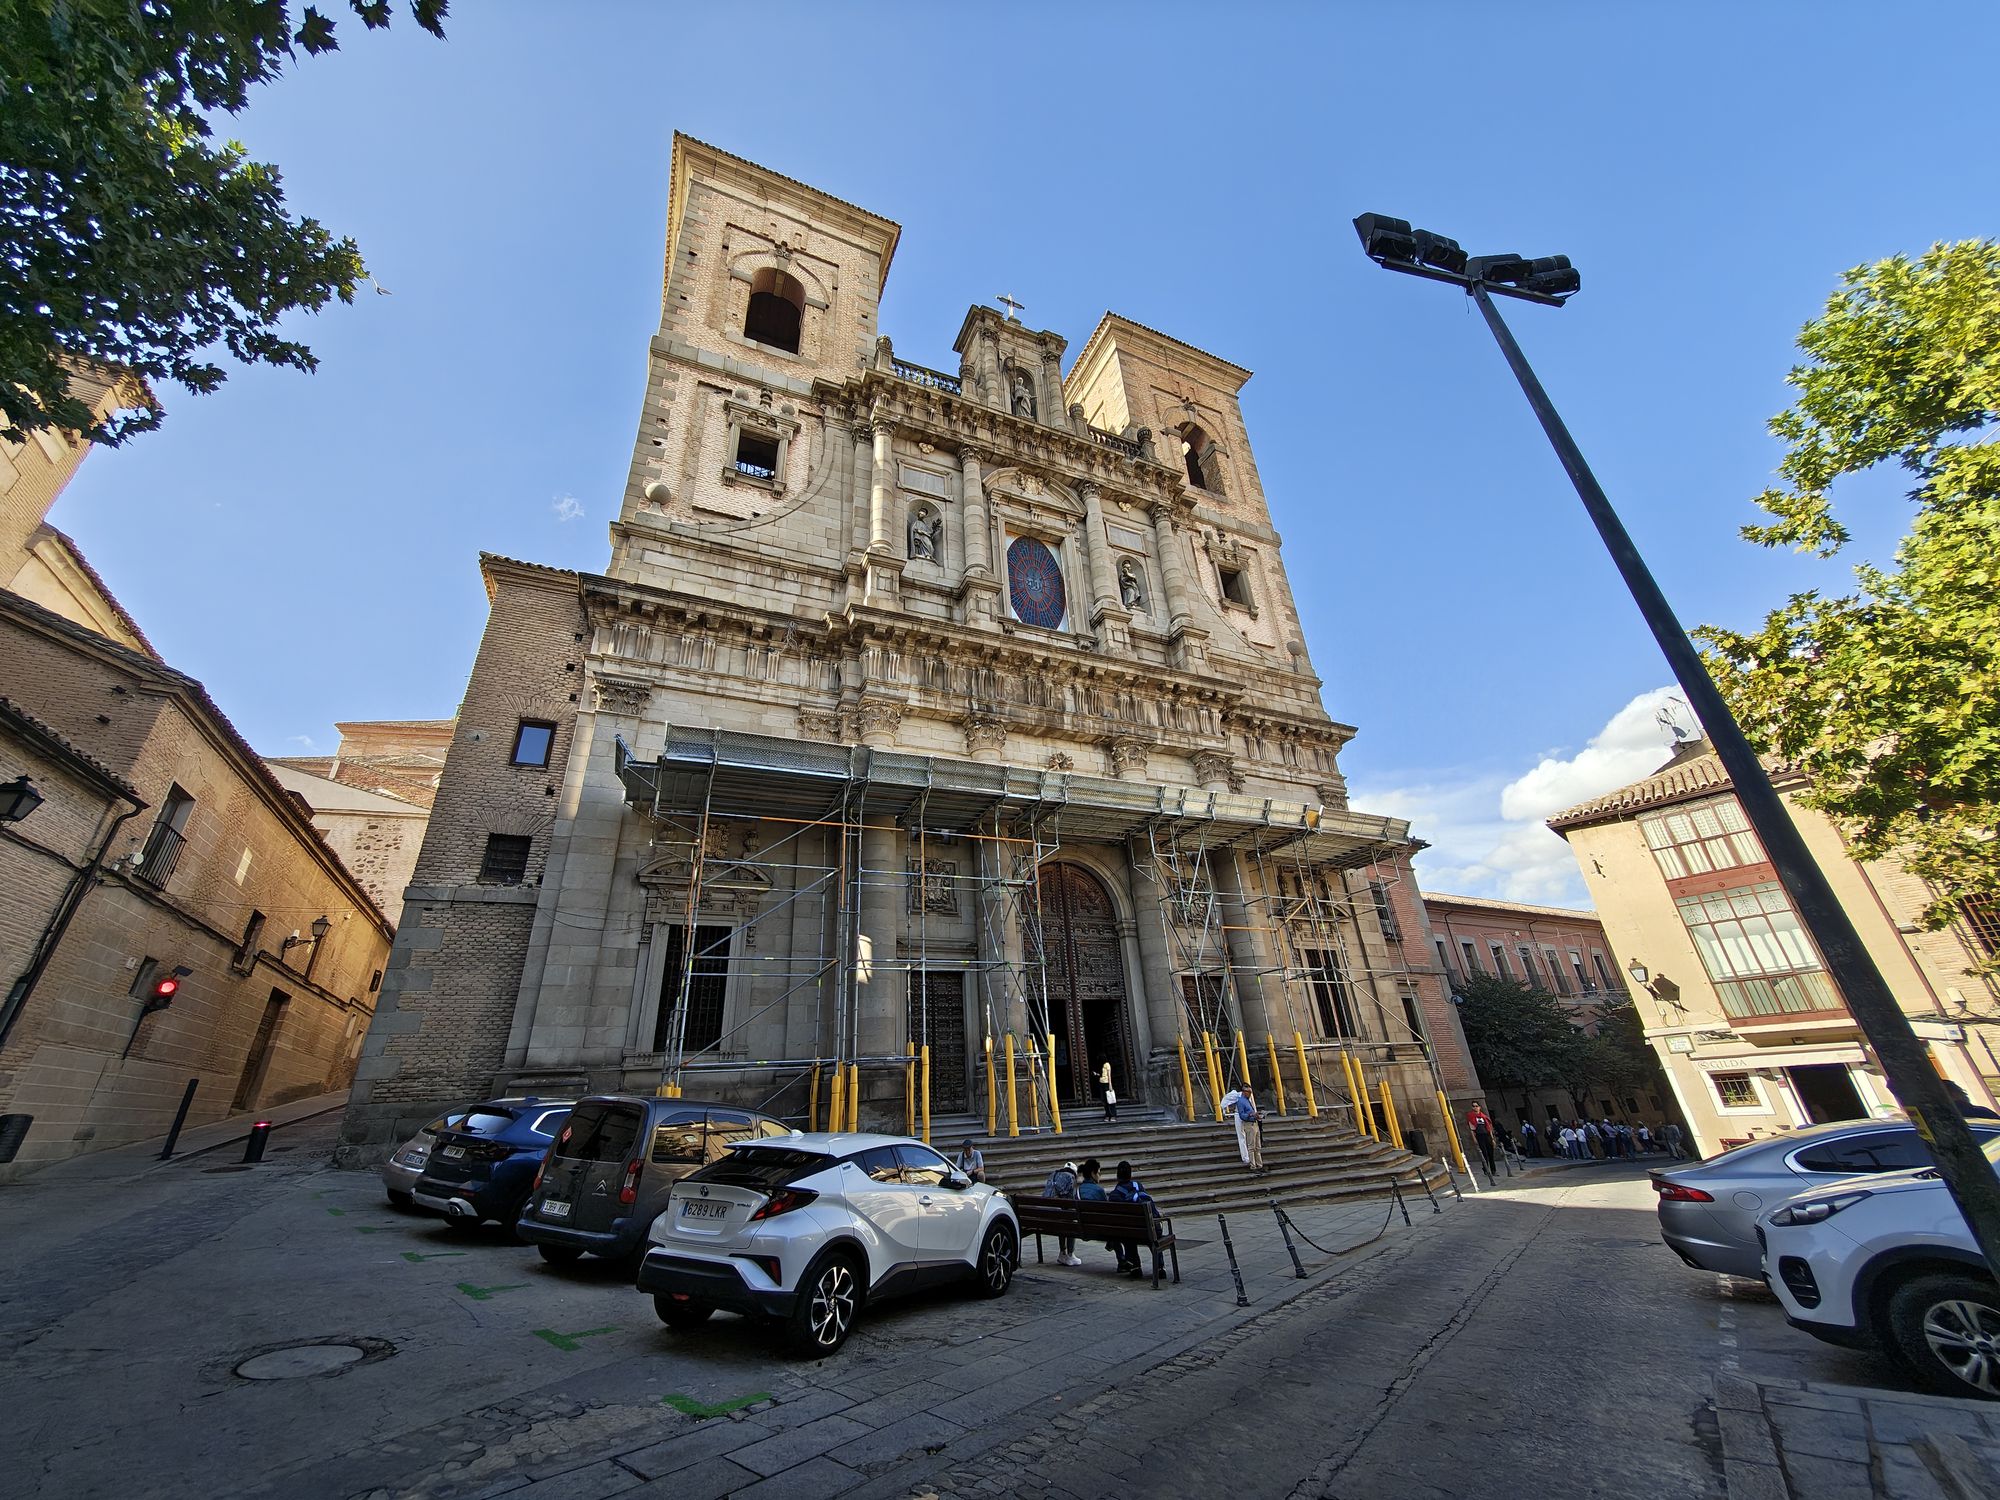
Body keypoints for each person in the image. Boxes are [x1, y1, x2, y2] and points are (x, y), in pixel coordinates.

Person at [1107, 1160, 1152, 1277]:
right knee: (1152, 1235)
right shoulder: (1139, 1186)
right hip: (1146, 1229)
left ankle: (1135, 1266)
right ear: (1130, 1174)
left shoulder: (1114, 1195)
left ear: (1117, 1176)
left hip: (1128, 1232)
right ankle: (1160, 1267)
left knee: (1127, 1233)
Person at [1044, 1159, 1082, 1266]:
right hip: (1059, 1217)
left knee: (1063, 1218)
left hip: (1044, 1215)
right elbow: (1072, 1201)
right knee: (1070, 1217)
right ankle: (1070, 1254)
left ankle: (1062, 1252)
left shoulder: (1053, 1175)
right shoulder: (1071, 1178)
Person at [1466, 1103, 1496, 1176]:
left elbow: (1489, 1128)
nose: (1475, 1107)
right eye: (1474, 1106)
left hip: (1487, 1135)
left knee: (1490, 1153)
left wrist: (1492, 1139)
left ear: (1479, 1107)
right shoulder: (1471, 1117)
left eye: (1477, 1106)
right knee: (1484, 1153)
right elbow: (1472, 1129)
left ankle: (1493, 1170)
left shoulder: (1484, 1117)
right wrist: (1474, 1138)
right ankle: (1486, 1169)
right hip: (1479, 1135)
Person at [1099, 1059, 1118, 1123]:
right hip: (1101, 1083)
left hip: (1107, 1084)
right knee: (1104, 1100)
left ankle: (1113, 1115)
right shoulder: (1101, 1065)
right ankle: (1107, 1114)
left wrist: (1110, 1085)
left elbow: (1109, 1075)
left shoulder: (1107, 1064)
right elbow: (1100, 1074)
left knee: (1110, 1100)